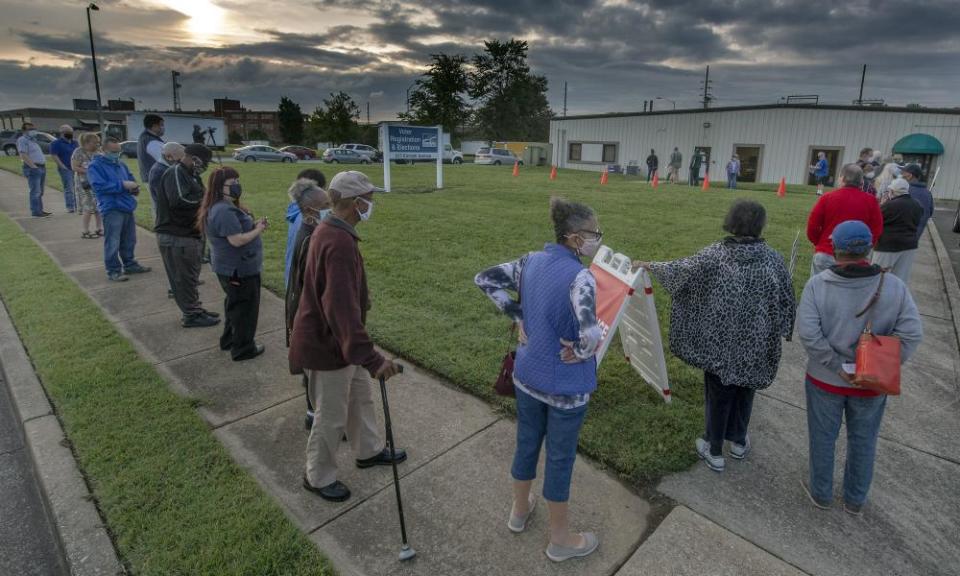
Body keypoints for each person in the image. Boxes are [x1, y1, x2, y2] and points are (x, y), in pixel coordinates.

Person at [474, 197, 602, 562]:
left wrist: (518, 315)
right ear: (576, 238)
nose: (598, 239)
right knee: (560, 458)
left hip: (526, 375)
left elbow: (484, 279)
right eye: (595, 233)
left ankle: (519, 510)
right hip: (567, 389)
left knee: (526, 442)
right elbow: (591, 336)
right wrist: (578, 351)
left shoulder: (530, 261)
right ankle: (560, 539)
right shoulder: (581, 277)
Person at [633, 200, 795, 472]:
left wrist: (649, 265)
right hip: (755, 345)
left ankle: (714, 449)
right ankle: (739, 441)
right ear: (759, 225)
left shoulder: (717, 254)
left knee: (719, 394)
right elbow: (788, 300)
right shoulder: (773, 259)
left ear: (732, 221)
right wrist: (783, 328)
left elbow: (682, 269)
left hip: (718, 343)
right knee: (746, 389)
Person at [290, 171, 403, 503]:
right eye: (369, 198)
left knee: (360, 397)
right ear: (356, 203)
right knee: (331, 416)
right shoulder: (337, 240)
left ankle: (368, 450)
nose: (372, 203)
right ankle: (317, 475)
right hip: (326, 346)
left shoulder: (334, 231)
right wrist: (372, 359)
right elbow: (340, 311)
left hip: (340, 345)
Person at [797, 219, 922, 516]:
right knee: (864, 440)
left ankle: (821, 493)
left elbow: (809, 333)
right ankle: (855, 499)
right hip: (871, 384)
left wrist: (836, 366)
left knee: (823, 438)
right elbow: (912, 333)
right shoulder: (893, 285)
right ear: (870, 247)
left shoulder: (818, 285)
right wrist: (882, 364)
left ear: (835, 249)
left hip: (825, 379)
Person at [198, 167, 266, 361]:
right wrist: (259, 229)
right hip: (239, 270)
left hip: (232, 268)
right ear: (219, 187)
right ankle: (243, 348)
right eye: (232, 183)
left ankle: (229, 340)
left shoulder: (224, 206)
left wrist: (252, 225)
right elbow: (236, 240)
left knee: (234, 305)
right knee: (245, 309)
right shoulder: (223, 210)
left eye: (238, 181)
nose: (237, 186)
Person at [284, 178, 330, 431]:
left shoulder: (309, 230)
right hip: (311, 314)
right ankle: (316, 416)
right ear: (311, 210)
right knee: (318, 371)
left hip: (305, 309)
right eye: (326, 204)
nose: (330, 208)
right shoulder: (311, 238)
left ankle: (314, 413)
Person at [156, 144, 220, 328]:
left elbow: (201, 194)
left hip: (191, 234)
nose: (206, 166)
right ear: (194, 159)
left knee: (191, 276)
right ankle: (191, 314)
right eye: (205, 162)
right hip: (177, 235)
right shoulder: (176, 172)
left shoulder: (192, 175)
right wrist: (206, 203)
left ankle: (195, 308)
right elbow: (179, 200)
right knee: (182, 278)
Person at [87, 138, 151, 282]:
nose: (116, 154)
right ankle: (113, 270)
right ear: (103, 150)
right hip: (111, 207)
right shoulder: (95, 166)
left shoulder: (121, 164)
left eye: (118, 151)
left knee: (129, 239)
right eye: (113, 152)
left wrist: (134, 188)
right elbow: (98, 186)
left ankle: (130, 264)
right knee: (113, 241)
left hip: (126, 205)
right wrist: (122, 185)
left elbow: (130, 179)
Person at [806, 164, 883, 276]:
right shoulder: (871, 201)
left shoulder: (827, 198)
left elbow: (813, 225)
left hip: (827, 252)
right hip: (858, 256)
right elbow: (876, 229)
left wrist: (819, 242)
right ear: (861, 181)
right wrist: (865, 247)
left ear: (842, 178)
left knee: (820, 289)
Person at [871, 178, 923, 283]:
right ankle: (896, 297)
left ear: (892, 191)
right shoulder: (917, 205)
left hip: (887, 245)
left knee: (877, 276)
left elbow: (876, 220)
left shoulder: (889, 205)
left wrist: (882, 204)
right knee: (900, 278)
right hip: (909, 245)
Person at [284, 169, 328, 287]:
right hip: (301, 285)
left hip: (292, 278)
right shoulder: (306, 220)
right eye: (325, 204)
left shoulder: (296, 211)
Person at [71, 132, 103, 239]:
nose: (97, 145)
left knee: (99, 207)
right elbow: (74, 167)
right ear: (86, 142)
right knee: (88, 207)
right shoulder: (78, 152)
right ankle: (85, 231)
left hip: (97, 183)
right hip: (84, 184)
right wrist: (89, 171)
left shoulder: (98, 152)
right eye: (95, 142)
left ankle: (99, 228)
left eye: (98, 143)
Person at [17, 122, 49, 217]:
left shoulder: (33, 140)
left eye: (33, 128)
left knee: (40, 191)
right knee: (35, 191)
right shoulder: (22, 140)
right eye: (30, 129)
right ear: (24, 131)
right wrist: (33, 167)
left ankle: (40, 210)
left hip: (41, 167)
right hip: (33, 168)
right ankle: (36, 212)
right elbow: (23, 154)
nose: (33, 130)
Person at [148, 142, 185, 223]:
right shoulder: (159, 171)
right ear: (168, 157)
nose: (181, 162)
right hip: (168, 219)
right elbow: (166, 198)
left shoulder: (168, 168)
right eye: (179, 160)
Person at [49, 124, 78, 213]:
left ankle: (78, 205)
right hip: (66, 168)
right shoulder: (56, 143)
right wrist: (62, 166)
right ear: (62, 133)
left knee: (77, 187)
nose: (70, 133)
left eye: (71, 132)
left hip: (76, 168)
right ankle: (70, 207)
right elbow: (54, 155)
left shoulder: (75, 142)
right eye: (68, 132)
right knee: (69, 188)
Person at [901, 164, 933, 241]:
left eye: (903, 173)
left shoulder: (904, 190)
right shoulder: (927, 193)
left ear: (910, 175)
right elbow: (930, 212)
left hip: (900, 234)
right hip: (916, 235)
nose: (901, 174)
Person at [137, 114, 165, 186]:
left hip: (153, 177)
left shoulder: (147, 137)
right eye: (161, 125)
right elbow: (165, 159)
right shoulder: (150, 141)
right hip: (156, 179)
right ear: (154, 126)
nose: (163, 127)